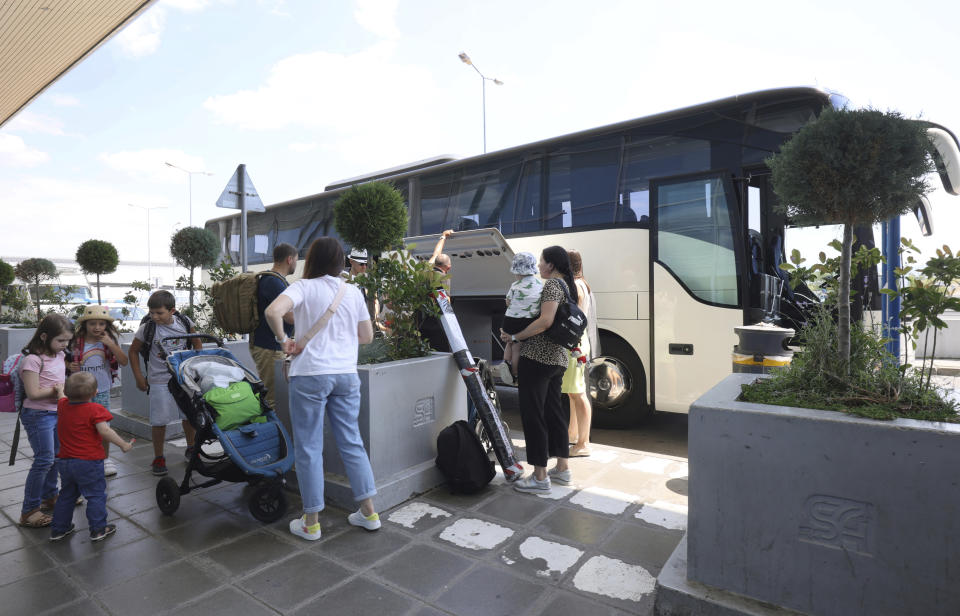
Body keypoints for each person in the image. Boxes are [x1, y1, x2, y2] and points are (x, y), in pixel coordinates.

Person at [264, 236, 380, 541]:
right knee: (351, 441)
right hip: (345, 375)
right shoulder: (352, 291)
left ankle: (311, 522)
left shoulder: (303, 287)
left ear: (311, 260)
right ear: (341, 261)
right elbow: (366, 336)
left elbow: (273, 312)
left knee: (309, 447)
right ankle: (369, 512)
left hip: (310, 375)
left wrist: (282, 340)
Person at [499, 246, 576, 494]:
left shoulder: (552, 286)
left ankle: (540, 476)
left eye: (542, 262)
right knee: (554, 413)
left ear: (551, 265)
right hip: (557, 359)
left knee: (533, 416)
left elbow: (545, 322)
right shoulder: (568, 287)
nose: (540, 266)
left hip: (538, 356)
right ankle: (562, 469)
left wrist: (514, 335)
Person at [49, 372, 134, 542]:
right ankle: (98, 529)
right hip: (88, 462)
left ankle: (59, 529)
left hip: (65, 462)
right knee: (95, 495)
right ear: (95, 393)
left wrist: (59, 390)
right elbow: (105, 431)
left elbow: (61, 397)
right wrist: (123, 444)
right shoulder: (95, 409)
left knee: (67, 495)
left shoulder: (63, 406)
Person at [129, 290, 202, 477]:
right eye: (151, 312)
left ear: (172, 311)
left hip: (183, 378)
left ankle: (191, 448)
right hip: (159, 379)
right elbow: (133, 351)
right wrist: (139, 376)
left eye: (159, 313)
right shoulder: (148, 328)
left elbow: (197, 344)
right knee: (159, 420)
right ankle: (159, 457)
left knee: (189, 416)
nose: (154, 316)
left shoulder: (185, 323)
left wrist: (194, 368)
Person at [18, 314, 73, 528]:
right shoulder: (32, 360)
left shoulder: (59, 356)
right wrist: (59, 390)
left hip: (56, 411)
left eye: (67, 340)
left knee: (57, 457)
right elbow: (32, 393)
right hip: (38, 415)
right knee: (44, 460)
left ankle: (50, 496)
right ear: (44, 336)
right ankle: (29, 510)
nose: (65, 345)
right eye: (60, 340)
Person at [68, 304, 129, 477]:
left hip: (101, 391)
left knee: (104, 426)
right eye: (92, 323)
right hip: (79, 394)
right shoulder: (75, 342)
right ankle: (83, 458)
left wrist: (111, 344)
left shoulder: (108, 342)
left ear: (106, 325)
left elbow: (124, 361)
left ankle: (105, 459)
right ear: (85, 324)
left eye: (101, 324)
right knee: (81, 428)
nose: (97, 328)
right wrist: (68, 365)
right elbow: (62, 358)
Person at [250, 242, 297, 408]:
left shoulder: (274, 280)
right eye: (296, 260)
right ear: (290, 259)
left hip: (270, 346)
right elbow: (290, 317)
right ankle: (271, 433)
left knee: (276, 396)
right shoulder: (274, 283)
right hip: (269, 347)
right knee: (273, 398)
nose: (296, 264)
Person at [562, 249, 597, 457]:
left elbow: (571, 316)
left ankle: (583, 443)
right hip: (580, 342)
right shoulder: (583, 283)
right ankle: (574, 435)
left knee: (577, 394)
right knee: (574, 393)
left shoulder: (574, 286)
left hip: (574, 344)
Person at [497, 252, 543, 385]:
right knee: (518, 347)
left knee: (509, 343)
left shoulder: (515, 285)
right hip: (527, 321)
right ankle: (515, 374)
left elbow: (508, 302)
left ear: (518, 271)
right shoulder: (540, 285)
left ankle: (506, 362)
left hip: (510, 320)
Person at [419, 229, 454, 352]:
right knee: (441, 352)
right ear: (448, 268)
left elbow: (436, 254)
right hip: (436, 324)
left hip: (421, 321)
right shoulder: (443, 277)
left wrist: (443, 236)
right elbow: (446, 302)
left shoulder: (426, 270)